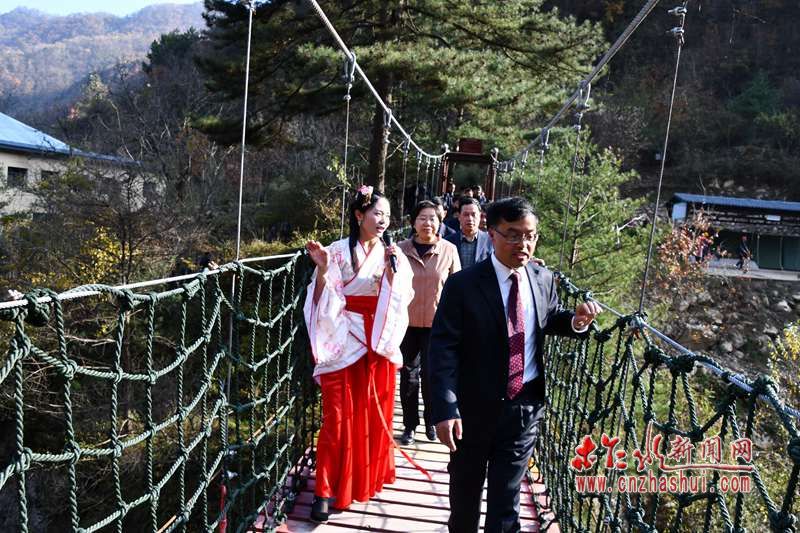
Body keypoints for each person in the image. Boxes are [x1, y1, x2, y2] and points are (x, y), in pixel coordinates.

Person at [428, 197, 602, 533]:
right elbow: (443, 348)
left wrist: (576, 322)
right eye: (512, 235)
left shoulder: (542, 277)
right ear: (491, 234)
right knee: (465, 496)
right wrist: (446, 408)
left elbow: (549, 316)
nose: (523, 243)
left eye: (530, 235)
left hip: (524, 407)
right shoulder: (463, 285)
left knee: (506, 502)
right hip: (472, 410)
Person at [303, 186, 414, 522]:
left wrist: (393, 277)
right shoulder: (336, 251)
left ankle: (365, 477)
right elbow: (320, 297)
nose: (383, 221)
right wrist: (323, 271)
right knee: (336, 418)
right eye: (377, 213)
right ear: (359, 215)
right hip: (343, 337)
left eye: (387, 216)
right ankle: (324, 490)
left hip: (378, 341)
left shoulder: (393, 254)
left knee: (372, 414)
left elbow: (402, 297)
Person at [397, 200, 461, 445]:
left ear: (440, 222)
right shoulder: (399, 250)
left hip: (438, 325)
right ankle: (410, 425)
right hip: (406, 324)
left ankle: (432, 421)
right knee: (409, 376)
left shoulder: (449, 250)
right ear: (413, 222)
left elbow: (457, 288)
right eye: (422, 218)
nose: (427, 223)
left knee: (433, 376)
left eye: (432, 218)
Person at [445, 197, 493, 269]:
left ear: (479, 216)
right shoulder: (448, 242)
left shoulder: (491, 240)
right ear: (459, 217)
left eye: (473, 214)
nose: (470, 218)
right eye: (466, 214)